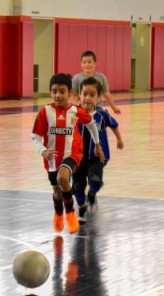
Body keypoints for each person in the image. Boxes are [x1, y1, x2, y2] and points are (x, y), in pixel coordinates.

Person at [32, 73, 105, 234]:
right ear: (50, 92)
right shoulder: (45, 112)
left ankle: (71, 214)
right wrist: (43, 151)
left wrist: (97, 144)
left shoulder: (76, 111)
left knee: (62, 178)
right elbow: (35, 137)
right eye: (54, 91)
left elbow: (92, 124)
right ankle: (59, 213)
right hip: (52, 159)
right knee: (57, 192)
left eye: (62, 91)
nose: (58, 95)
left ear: (70, 93)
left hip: (72, 155)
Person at [73, 77, 124, 224]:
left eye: (92, 95)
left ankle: (92, 193)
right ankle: (81, 207)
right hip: (77, 159)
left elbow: (114, 125)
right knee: (77, 186)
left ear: (98, 97)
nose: (87, 98)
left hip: (96, 158)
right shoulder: (74, 115)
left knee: (95, 181)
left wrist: (119, 139)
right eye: (85, 94)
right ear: (79, 96)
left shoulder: (102, 115)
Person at [71, 50, 121, 115]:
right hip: (82, 107)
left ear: (95, 63)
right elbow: (72, 95)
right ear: (81, 64)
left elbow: (106, 94)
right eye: (84, 62)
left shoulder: (101, 77)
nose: (87, 64)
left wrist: (114, 108)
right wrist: (77, 103)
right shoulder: (76, 78)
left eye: (89, 62)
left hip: (97, 108)